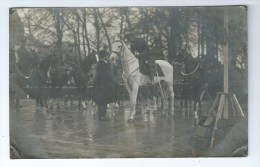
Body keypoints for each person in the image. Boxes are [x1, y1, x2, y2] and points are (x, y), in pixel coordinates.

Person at [93, 49, 115, 121]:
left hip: (106, 85)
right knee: (101, 102)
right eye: (107, 55)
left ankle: (103, 115)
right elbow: (102, 75)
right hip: (102, 85)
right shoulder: (101, 64)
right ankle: (101, 116)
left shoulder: (105, 63)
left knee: (105, 101)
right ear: (104, 56)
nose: (108, 57)